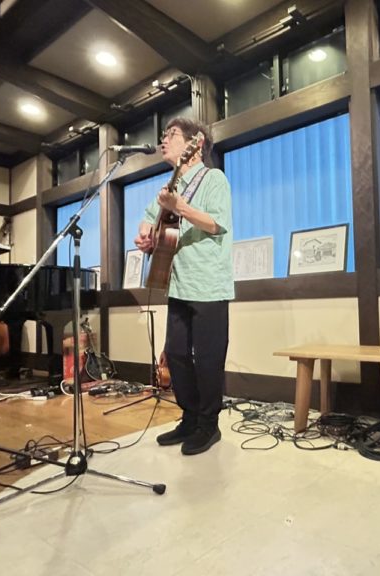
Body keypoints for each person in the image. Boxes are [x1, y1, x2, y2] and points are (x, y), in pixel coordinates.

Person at [134, 117, 234, 456]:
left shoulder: (213, 179)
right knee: (175, 354)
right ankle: (190, 417)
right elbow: (149, 218)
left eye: (172, 134)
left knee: (208, 359)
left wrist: (181, 207)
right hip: (177, 284)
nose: (164, 140)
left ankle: (209, 424)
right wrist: (145, 235)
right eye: (163, 135)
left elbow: (216, 223)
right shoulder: (170, 186)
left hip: (208, 283)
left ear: (197, 143)